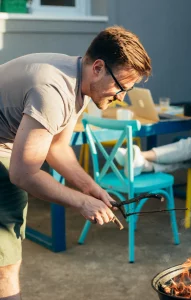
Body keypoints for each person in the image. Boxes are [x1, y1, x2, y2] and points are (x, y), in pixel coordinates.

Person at [0, 26, 151, 299]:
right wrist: (82, 203)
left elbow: (56, 148)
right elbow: (22, 174)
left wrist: (90, 188)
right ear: (98, 67)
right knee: (5, 266)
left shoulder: (77, 80)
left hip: (6, 145)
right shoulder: (53, 92)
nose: (121, 97)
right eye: (120, 88)